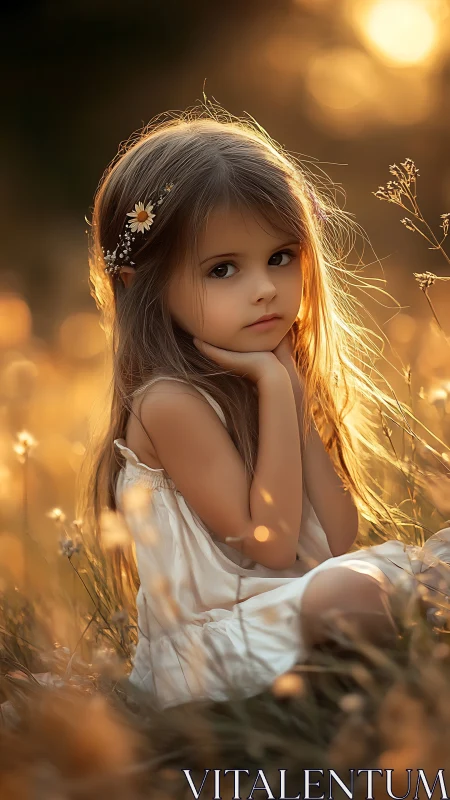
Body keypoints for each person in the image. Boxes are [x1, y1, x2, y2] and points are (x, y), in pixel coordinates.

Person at [80, 105, 450, 711]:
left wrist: (292, 394)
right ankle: (390, 695)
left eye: (281, 257)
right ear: (135, 283)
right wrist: (278, 391)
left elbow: (336, 535)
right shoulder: (169, 403)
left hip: (286, 604)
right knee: (350, 596)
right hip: (208, 650)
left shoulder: (268, 375)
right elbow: (272, 548)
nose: (264, 288)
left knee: (371, 578)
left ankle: (379, 685)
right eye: (223, 269)